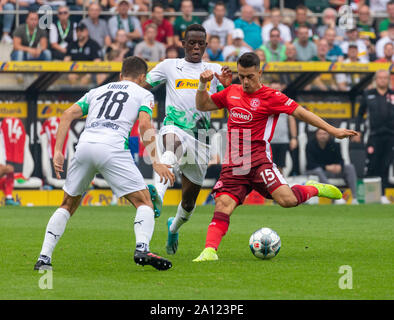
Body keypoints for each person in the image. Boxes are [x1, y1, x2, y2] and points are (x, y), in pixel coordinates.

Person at [193, 52, 358, 261]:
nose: (245, 81)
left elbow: (300, 112)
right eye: (241, 76)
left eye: (250, 76)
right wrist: (202, 84)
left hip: (260, 161)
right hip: (235, 165)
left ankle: (314, 188)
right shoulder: (231, 92)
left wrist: (332, 130)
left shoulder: (271, 96)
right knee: (223, 204)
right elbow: (202, 105)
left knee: (287, 200)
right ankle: (209, 251)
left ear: (260, 73)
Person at [34, 56, 175, 271]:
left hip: (85, 146)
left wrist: (57, 152)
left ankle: (44, 258)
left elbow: (66, 115)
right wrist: (156, 162)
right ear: (142, 77)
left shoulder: (98, 91)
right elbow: (145, 125)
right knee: (144, 202)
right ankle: (142, 248)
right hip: (113, 146)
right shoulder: (144, 93)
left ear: (120, 75)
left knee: (67, 205)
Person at [143, 24, 233, 255]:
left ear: (205, 45)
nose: (195, 46)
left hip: (201, 138)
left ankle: (174, 228)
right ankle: (157, 196)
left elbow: (231, 99)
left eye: (200, 43)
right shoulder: (169, 66)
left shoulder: (214, 69)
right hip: (175, 126)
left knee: (189, 202)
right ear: (183, 44)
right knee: (172, 143)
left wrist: (227, 85)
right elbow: (143, 85)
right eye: (191, 42)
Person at [352, 69, 394, 204]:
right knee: (372, 165)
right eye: (380, 78)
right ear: (376, 80)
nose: (383, 80)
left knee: (386, 165)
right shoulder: (368, 94)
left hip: (390, 136)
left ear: (388, 79)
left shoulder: (392, 95)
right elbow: (359, 114)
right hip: (373, 136)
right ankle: (366, 195)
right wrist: (357, 131)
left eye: (385, 78)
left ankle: (382, 195)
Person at [306, 129, 359, 205]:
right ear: (316, 135)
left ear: (329, 135)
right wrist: (326, 167)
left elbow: (340, 160)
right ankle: (335, 197)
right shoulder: (310, 145)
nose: (322, 136)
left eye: (325, 134)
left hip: (332, 171)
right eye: (320, 134)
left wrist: (340, 166)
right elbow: (310, 164)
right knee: (318, 170)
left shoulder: (334, 144)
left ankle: (354, 198)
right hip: (316, 172)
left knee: (350, 167)